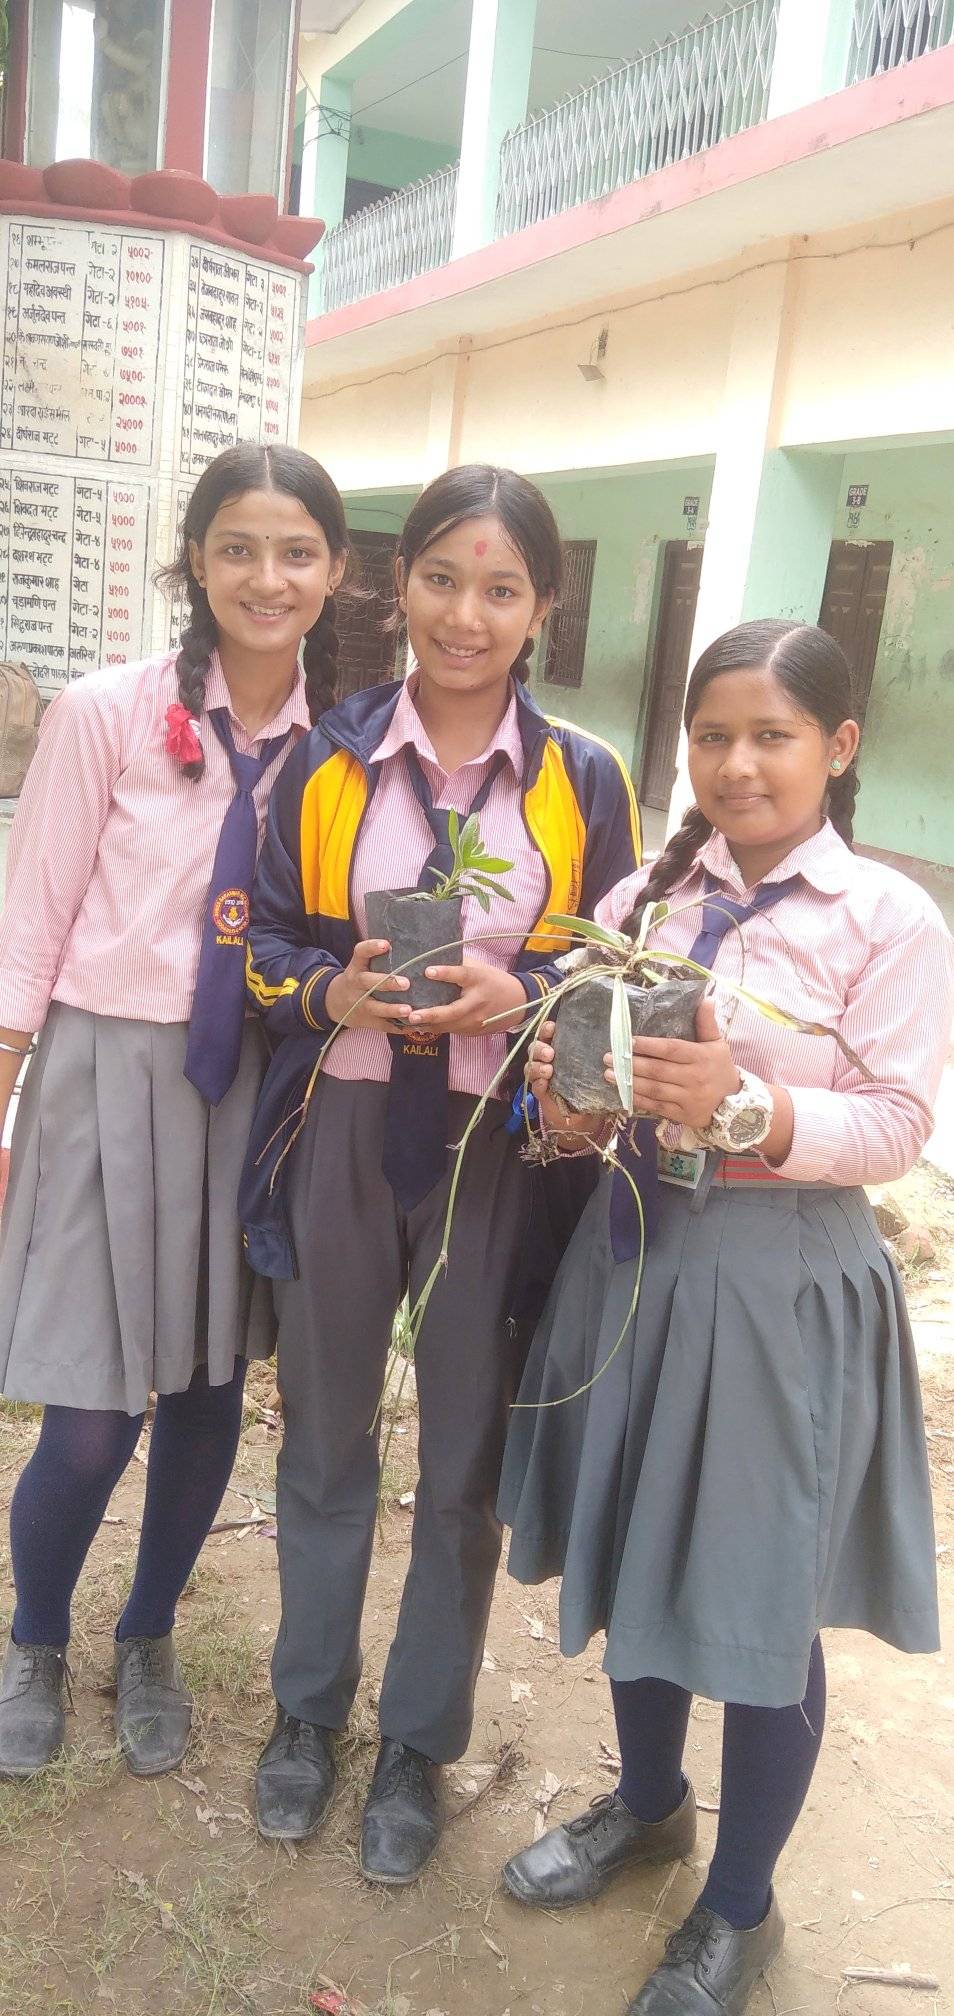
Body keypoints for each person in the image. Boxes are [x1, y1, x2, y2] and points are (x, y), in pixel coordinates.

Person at [497, 620, 954, 2015]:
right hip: (634, 1263)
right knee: (636, 1550)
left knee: (760, 1601)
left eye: (772, 736)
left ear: (838, 746)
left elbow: (899, 1125)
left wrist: (744, 1105)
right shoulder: (641, 898)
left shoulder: (889, 922)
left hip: (777, 1289)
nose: (738, 764)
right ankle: (648, 1807)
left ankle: (739, 1904)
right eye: (712, 736)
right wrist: (565, 1102)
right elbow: (581, 1102)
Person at [241, 463, 642, 1881]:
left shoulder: (583, 779)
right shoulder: (327, 759)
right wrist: (330, 990)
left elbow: (609, 969)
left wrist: (519, 992)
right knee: (325, 1434)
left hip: (493, 1153)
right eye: (441, 580)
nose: (465, 616)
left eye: (500, 589)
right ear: (394, 584)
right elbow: (260, 942)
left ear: (542, 609)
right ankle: (306, 1711)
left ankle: (418, 1739)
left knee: (464, 1452)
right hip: (345, 1131)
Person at [0, 442, 348, 1784]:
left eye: (297, 552)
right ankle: (36, 1637)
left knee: (207, 1392)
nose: (268, 577)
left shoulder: (340, 748)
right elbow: (31, 920)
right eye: (238, 548)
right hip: (104, 1075)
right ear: (196, 561)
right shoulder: (107, 711)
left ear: (332, 572)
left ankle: (145, 1634)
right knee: (93, 1413)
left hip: (252, 1086)